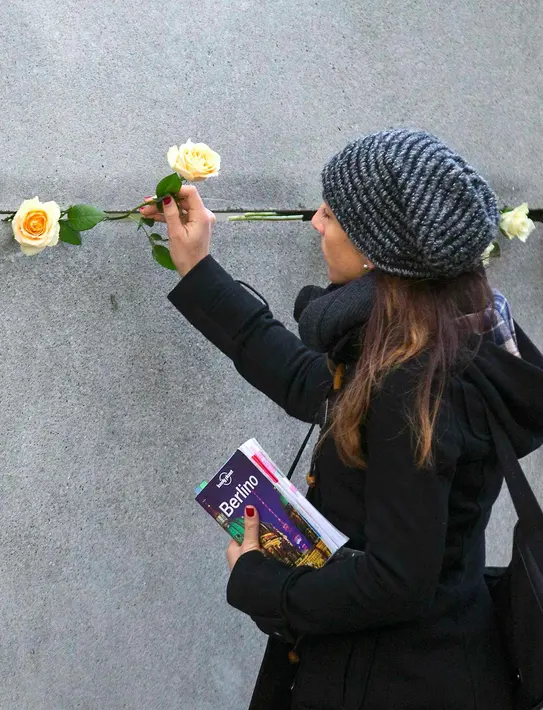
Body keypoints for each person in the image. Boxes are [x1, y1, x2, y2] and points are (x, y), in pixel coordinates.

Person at [140, 129, 543, 709]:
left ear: (376, 250)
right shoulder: (441, 341)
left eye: (329, 212)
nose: (316, 224)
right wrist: (199, 270)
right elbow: (315, 384)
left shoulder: (415, 382)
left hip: (397, 684)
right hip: (429, 666)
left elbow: (397, 583)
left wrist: (260, 579)